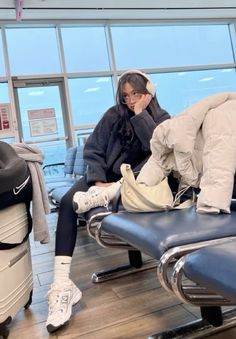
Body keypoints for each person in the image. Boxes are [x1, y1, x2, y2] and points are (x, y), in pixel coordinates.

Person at [46, 69, 170, 333]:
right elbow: (93, 148)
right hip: (103, 179)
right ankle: (61, 285)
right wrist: (97, 177)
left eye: (135, 94)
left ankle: (111, 192)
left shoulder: (162, 118)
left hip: (135, 182)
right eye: (125, 96)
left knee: (150, 166)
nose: (130, 100)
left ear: (149, 92)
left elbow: (157, 150)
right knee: (69, 202)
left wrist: (140, 116)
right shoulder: (113, 115)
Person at [136, 92, 236, 214]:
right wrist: (139, 189)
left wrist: (211, 204)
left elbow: (219, 163)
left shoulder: (222, 116)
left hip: (221, 178)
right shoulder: (176, 130)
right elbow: (158, 160)